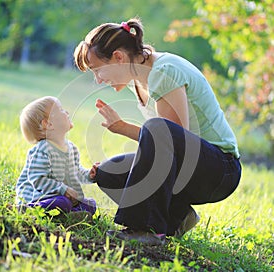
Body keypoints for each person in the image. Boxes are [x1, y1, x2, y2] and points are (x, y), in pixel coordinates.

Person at [73, 18, 242, 245]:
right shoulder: (139, 79)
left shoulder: (163, 71)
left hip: (220, 170)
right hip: (191, 164)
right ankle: (178, 216)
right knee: (108, 173)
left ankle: (145, 230)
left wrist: (126, 128)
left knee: (157, 128)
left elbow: (171, 135)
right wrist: (122, 128)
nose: (98, 80)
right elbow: (165, 142)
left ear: (119, 57)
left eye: (97, 70)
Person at [16, 96, 97, 216]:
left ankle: (67, 215)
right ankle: (30, 209)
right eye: (61, 110)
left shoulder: (71, 148)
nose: (67, 112)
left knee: (90, 204)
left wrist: (89, 175)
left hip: (60, 196)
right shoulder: (43, 149)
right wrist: (62, 189)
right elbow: (37, 179)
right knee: (62, 203)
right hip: (39, 196)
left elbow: (77, 172)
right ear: (48, 124)